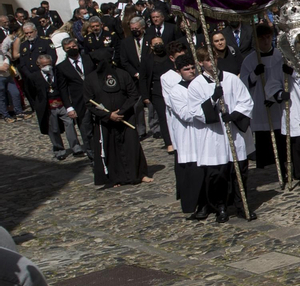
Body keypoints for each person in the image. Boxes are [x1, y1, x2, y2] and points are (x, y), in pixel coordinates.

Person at [180, 52, 255, 222]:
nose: (211, 62)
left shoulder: (231, 79)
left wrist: (235, 115)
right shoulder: (196, 85)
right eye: (207, 60)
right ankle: (220, 206)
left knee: (239, 173)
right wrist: (213, 99)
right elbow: (195, 112)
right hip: (213, 137)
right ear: (200, 63)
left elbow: (246, 101)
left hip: (234, 134)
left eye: (213, 59)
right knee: (217, 175)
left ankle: (242, 205)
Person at [83, 47, 151, 187]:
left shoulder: (122, 74)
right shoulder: (91, 79)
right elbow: (89, 102)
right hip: (106, 121)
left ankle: (139, 174)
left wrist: (122, 111)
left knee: (131, 146)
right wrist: (108, 115)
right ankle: (115, 178)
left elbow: (133, 94)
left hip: (125, 117)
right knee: (110, 149)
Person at [239, 24, 288, 176]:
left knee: (281, 138)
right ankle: (268, 167)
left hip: (278, 106)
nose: (266, 41)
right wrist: (254, 75)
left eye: (268, 37)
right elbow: (242, 84)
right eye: (262, 38)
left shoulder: (281, 56)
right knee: (264, 139)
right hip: (260, 103)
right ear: (256, 40)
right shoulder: (250, 60)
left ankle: (284, 166)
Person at [164, 53, 206, 216]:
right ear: (179, 71)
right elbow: (186, 114)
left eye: (192, 68)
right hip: (188, 137)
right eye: (186, 69)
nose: (191, 71)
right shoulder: (176, 91)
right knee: (193, 173)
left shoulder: (201, 84)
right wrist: (205, 108)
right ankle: (196, 205)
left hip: (203, 134)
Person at [27, 51, 82, 160]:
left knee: (70, 124)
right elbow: (31, 92)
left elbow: (63, 87)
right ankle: (59, 150)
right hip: (48, 106)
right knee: (54, 129)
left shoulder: (57, 72)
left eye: (49, 64)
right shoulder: (34, 77)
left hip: (61, 104)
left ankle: (76, 147)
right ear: (39, 65)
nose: (47, 67)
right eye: (44, 65)